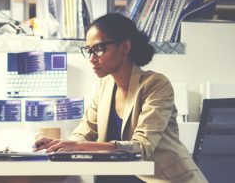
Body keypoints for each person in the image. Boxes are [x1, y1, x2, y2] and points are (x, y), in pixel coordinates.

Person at [33, 13, 208, 183]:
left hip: (164, 179)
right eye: (89, 50)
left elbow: (141, 147)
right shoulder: (104, 86)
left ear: (125, 47)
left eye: (99, 49)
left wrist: (76, 147)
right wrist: (60, 145)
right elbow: (85, 131)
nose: (92, 59)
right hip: (117, 177)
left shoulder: (156, 84)